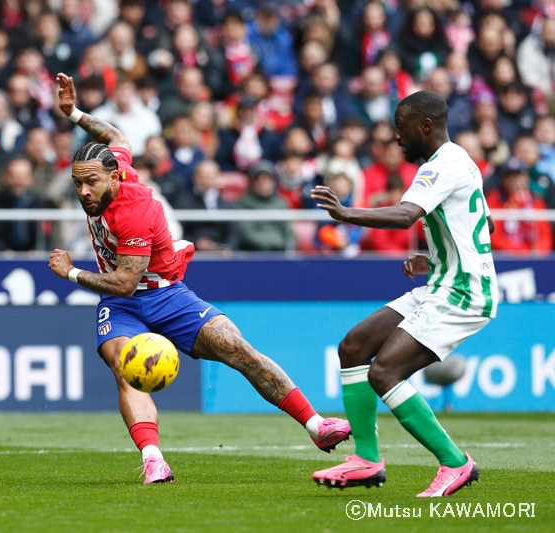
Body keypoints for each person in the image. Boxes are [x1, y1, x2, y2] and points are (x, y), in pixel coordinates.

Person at [48, 73, 351, 484]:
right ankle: (153, 459)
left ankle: (316, 425)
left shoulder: (134, 212)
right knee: (124, 366)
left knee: (238, 349)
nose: (83, 191)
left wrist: (72, 272)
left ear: (115, 178)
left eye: (90, 182)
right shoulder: (113, 167)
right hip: (121, 308)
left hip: (162, 294)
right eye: (77, 182)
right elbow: (115, 133)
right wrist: (75, 113)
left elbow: (123, 281)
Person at [310, 90, 495, 497]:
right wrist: (435, 260)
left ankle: (454, 462)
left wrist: (346, 213)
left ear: (424, 126)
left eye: (401, 129)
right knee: (354, 346)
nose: (396, 138)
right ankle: (366, 460)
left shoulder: (440, 166)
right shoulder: (459, 161)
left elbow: (405, 214)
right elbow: (484, 227)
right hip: (444, 281)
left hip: (463, 292)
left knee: (384, 372)